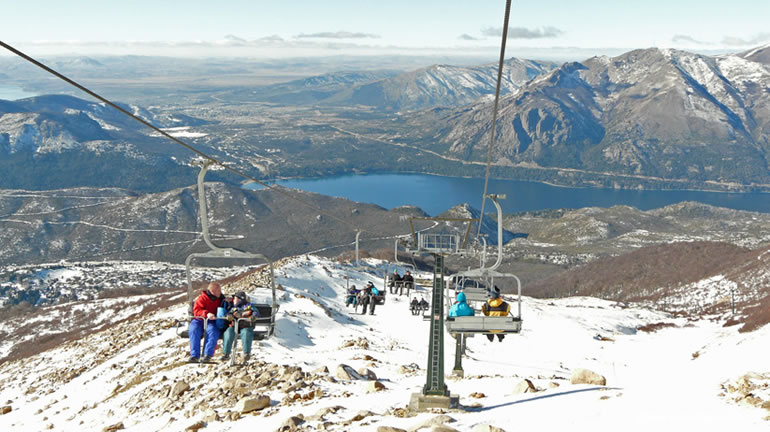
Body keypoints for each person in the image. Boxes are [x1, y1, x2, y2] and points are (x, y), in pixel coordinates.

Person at [188, 282, 225, 363]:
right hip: (200, 319)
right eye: (218, 290)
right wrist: (206, 313)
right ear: (212, 291)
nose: (220, 292)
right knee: (194, 330)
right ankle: (194, 355)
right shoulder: (202, 298)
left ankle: (207, 355)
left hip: (212, 320)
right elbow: (197, 311)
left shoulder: (221, 299)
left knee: (213, 331)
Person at [221, 291, 259, 362]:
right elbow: (228, 313)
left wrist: (254, 316)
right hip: (234, 326)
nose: (233, 300)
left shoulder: (249, 306)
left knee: (246, 333)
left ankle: (246, 353)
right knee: (228, 332)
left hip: (245, 326)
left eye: (234, 298)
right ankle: (226, 353)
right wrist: (228, 316)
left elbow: (255, 311)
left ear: (239, 299)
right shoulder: (234, 308)